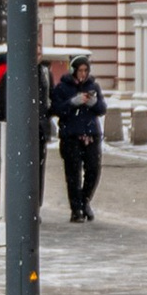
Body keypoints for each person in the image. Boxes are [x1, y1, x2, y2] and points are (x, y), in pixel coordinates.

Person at [55, 58, 106, 223]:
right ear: (74, 71)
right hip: (71, 135)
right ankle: (76, 208)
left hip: (91, 134)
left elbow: (102, 109)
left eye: (85, 70)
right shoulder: (63, 87)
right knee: (73, 174)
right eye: (80, 70)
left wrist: (93, 103)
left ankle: (85, 200)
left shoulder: (93, 86)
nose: (83, 74)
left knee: (93, 170)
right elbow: (56, 109)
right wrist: (72, 102)